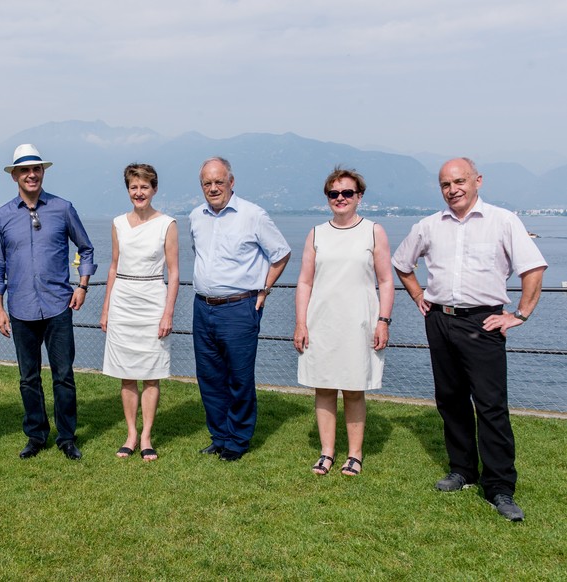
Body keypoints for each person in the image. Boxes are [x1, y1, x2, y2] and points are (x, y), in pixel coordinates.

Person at [392, 157, 547, 522]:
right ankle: (462, 470)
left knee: (491, 406)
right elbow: (402, 262)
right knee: (450, 399)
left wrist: (520, 315)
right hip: (440, 320)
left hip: (484, 323)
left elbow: (533, 268)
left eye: (459, 181)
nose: (453, 189)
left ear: (478, 181)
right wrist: (418, 295)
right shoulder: (429, 226)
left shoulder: (503, 221)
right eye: (446, 184)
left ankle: (499, 487)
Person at [0, 144, 96, 461]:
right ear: (15, 176)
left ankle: (66, 437)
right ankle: (36, 436)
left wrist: (83, 286)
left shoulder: (63, 209)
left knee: (63, 375)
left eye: (35, 169)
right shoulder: (1, 217)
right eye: (24, 170)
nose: (31, 174)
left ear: (43, 172)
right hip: (20, 310)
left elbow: (86, 249)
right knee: (28, 378)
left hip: (58, 306)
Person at [294, 167, 394, 477]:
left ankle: (354, 454)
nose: (340, 198)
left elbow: (386, 281)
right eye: (334, 194)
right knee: (323, 387)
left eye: (347, 193)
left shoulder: (373, 231)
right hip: (321, 320)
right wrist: (301, 322)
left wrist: (383, 321)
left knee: (353, 389)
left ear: (359, 197)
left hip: (358, 322)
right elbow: (305, 282)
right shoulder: (316, 234)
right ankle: (326, 452)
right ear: (327, 198)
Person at [190, 157, 291, 461]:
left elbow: (281, 254)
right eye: (207, 183)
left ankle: (238, 440)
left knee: (239, 377)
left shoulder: (253, 215)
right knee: (209, 378)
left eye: (219, 181)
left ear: (231, 182)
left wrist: (264, 290)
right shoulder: (196, 217)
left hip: (239, 307)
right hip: (202, 306)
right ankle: (219, 436)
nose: (213, 188)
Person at [100, 163, 179, 461]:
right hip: (123, 300)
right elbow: (113, 265)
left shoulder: (167, 224)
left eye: (144, 186)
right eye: (134, 187)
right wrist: (106, 307)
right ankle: (131, 433)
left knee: (151, 373)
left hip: (152, 300)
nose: (139, 192)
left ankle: (147, 435)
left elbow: (173, 271)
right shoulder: (118, 223)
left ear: (154, 189)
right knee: (126, 374)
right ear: (128, 190)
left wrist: (168, 313)